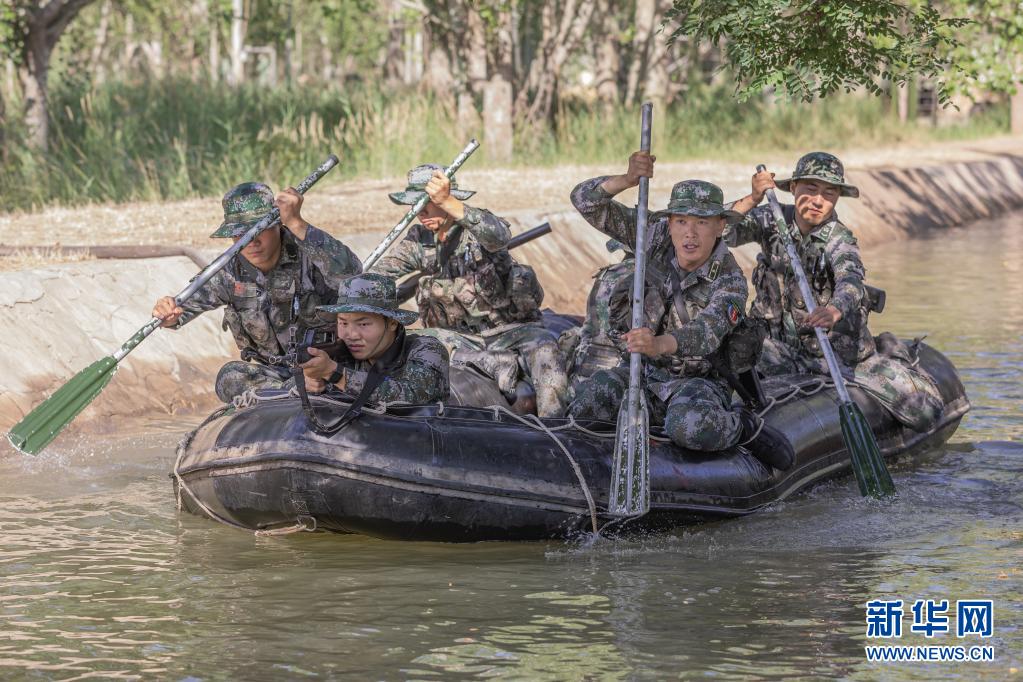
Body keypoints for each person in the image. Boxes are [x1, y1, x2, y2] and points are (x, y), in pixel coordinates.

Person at [567, 152, 792, 468]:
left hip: (698, 381)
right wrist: (627, 179)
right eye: (682, 221)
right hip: (644, 373)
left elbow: (707, 333)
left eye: (702, 223)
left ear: (720, 227)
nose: (690, 233)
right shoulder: (654, 237)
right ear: (669, 224)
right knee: (585, 405)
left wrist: (658, 344)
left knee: (688, 428)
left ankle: (742, 425)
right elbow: (584, 201)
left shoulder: (730, 279)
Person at [727, 152, 943, 431]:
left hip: (837, 358)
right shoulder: (771, 218)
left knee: (925, 413)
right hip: (778, 350)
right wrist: (752, 198)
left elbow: (850, 281)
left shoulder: (840, 239)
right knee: (729, 350)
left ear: (838, 197)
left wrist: (834, 310)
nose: (818, 200)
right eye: (811, 189)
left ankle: (892, 353)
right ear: (793, 188)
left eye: (829, 193)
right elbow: (720, 232)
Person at [368, 163, 569, 417]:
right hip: (461, 338)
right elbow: (382, 271)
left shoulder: (475, 226)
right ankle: (489, 363)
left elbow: (499, 236)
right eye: (416, 206)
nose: (421, 212)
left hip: (513, 331)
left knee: (547, 353)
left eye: (428, 204)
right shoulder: (419, 239)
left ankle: (555, 427)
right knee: (414, 343)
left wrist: (450, 202)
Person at [152, 182, 362, 402]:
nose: (252, 242)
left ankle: (296, 392)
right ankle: (289, 393)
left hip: (326, 368)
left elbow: (354, 275)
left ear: (278, 225)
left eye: (259, 230)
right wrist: (168, 315)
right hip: (279, 377)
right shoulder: (228, 271)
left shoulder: (311, 253)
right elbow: (181, 308)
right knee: (230, 377)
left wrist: (297, 223)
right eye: (240, 235)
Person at [300, 273, 449, 404]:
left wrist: (335, 373)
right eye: (343, 323)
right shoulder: (340, 353)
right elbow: (284, 386)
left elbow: (411, 394)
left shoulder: (426, 349)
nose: (351, 335)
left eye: (363, 324)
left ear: (392, 323)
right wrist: (308, 380)